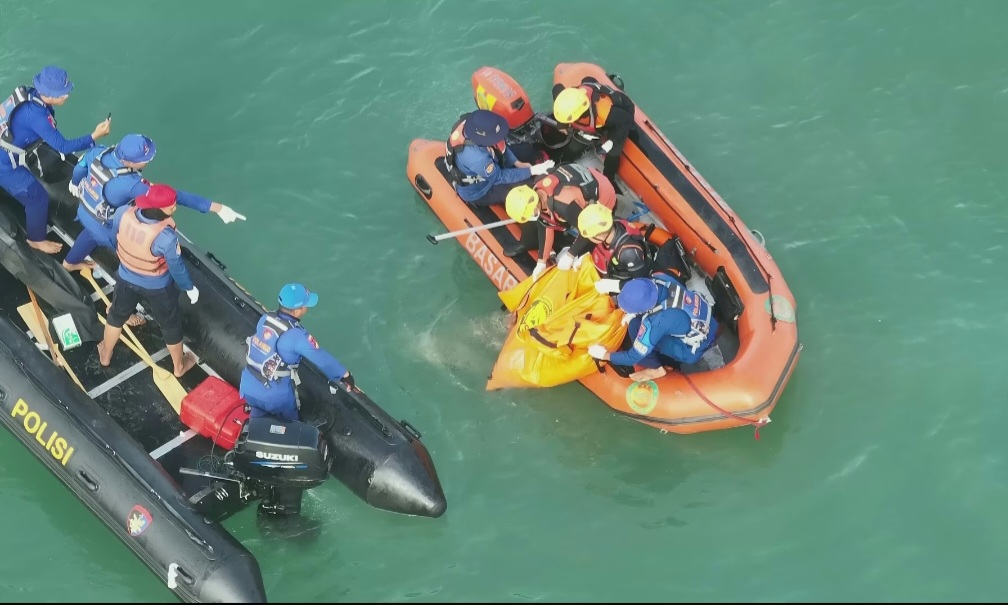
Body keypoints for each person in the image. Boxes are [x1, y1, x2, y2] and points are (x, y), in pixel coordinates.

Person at [63, 133, 245, 272]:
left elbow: (80, 167)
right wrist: (218, 208)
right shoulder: (132, 184)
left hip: (84, 211)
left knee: (90, 232)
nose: (148, 162)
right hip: (107, 229)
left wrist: (75, 182)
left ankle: (69, 263)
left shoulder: (97, 152)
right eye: (146, 160)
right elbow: (174, 196)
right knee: (128, 256)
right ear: (130, 161)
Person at [0, 66, 111, 254]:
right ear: (47, 93)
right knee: (37, 198)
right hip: (4, 163)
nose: (66, 96)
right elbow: (63, 147)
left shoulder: (29, 94)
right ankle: (35, 240)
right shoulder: (36, 116)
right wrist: (94, 136)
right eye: (62, 94)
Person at [96, 184, 199, 377]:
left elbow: (113, 235)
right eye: (171, 206)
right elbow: (176, 266)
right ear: (158, 210)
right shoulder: (165, 237)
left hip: (126, 276)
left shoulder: (122, 213)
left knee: (117, 315)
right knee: (170, 324)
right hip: (157, 285)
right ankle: (179, 367)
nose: (175, 208)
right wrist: (189, 287)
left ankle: (106, 354)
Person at [240, 283, 358, 422]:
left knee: (257, 420)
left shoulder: (265, 319)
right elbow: (322, 359)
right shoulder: (297, 336)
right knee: (292, 426)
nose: (307, 307)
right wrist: (345, 375)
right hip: (275, 397)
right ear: (296, 311)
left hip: (248, 386)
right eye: (305, 305)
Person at [587, 275, 718, 381]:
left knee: (634, 327)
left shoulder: (656, 322)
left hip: (692, 349)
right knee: (639, 323)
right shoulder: (662, 278)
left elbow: (633, 356)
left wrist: (604, 355)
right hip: (706, 322)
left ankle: (656, 370)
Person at [502, 163, 616, 268]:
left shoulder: (564, 206)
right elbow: (545, 223)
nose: (531, 216)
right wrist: (541, 261)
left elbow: (588, 231)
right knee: (536, 222)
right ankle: (527, 243)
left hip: (603, 197)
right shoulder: (538, 186)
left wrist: (570, 255)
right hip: (583, 180)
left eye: (531, 213)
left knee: (585, 249)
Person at [444, 109, 554, 207]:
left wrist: (518, 163)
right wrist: (531, 170)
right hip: (482, 189)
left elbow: (500, 145)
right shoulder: (478, 158)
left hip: (490, 161)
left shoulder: (472, 124)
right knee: (528, 184)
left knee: (527, 150)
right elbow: (499, 177)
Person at [551, 76, 635, 182]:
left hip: (618, 117)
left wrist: (612, 141)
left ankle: (609, 179)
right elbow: (557, 88)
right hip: (591, 123)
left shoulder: (604, 112)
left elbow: (626, 120)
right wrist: (561, 124)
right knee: (573, 149)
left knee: (613, 154)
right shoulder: (568, 99)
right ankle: (562, 164)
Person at [569, 204, 653, 289]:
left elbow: (642, 281)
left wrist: (615, 286)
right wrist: (586, 258)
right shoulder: (611, 223)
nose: (588, 239)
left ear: (600, 235)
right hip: (610, 267)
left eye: (589, 236)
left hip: (625, 277)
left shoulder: (628, 252)